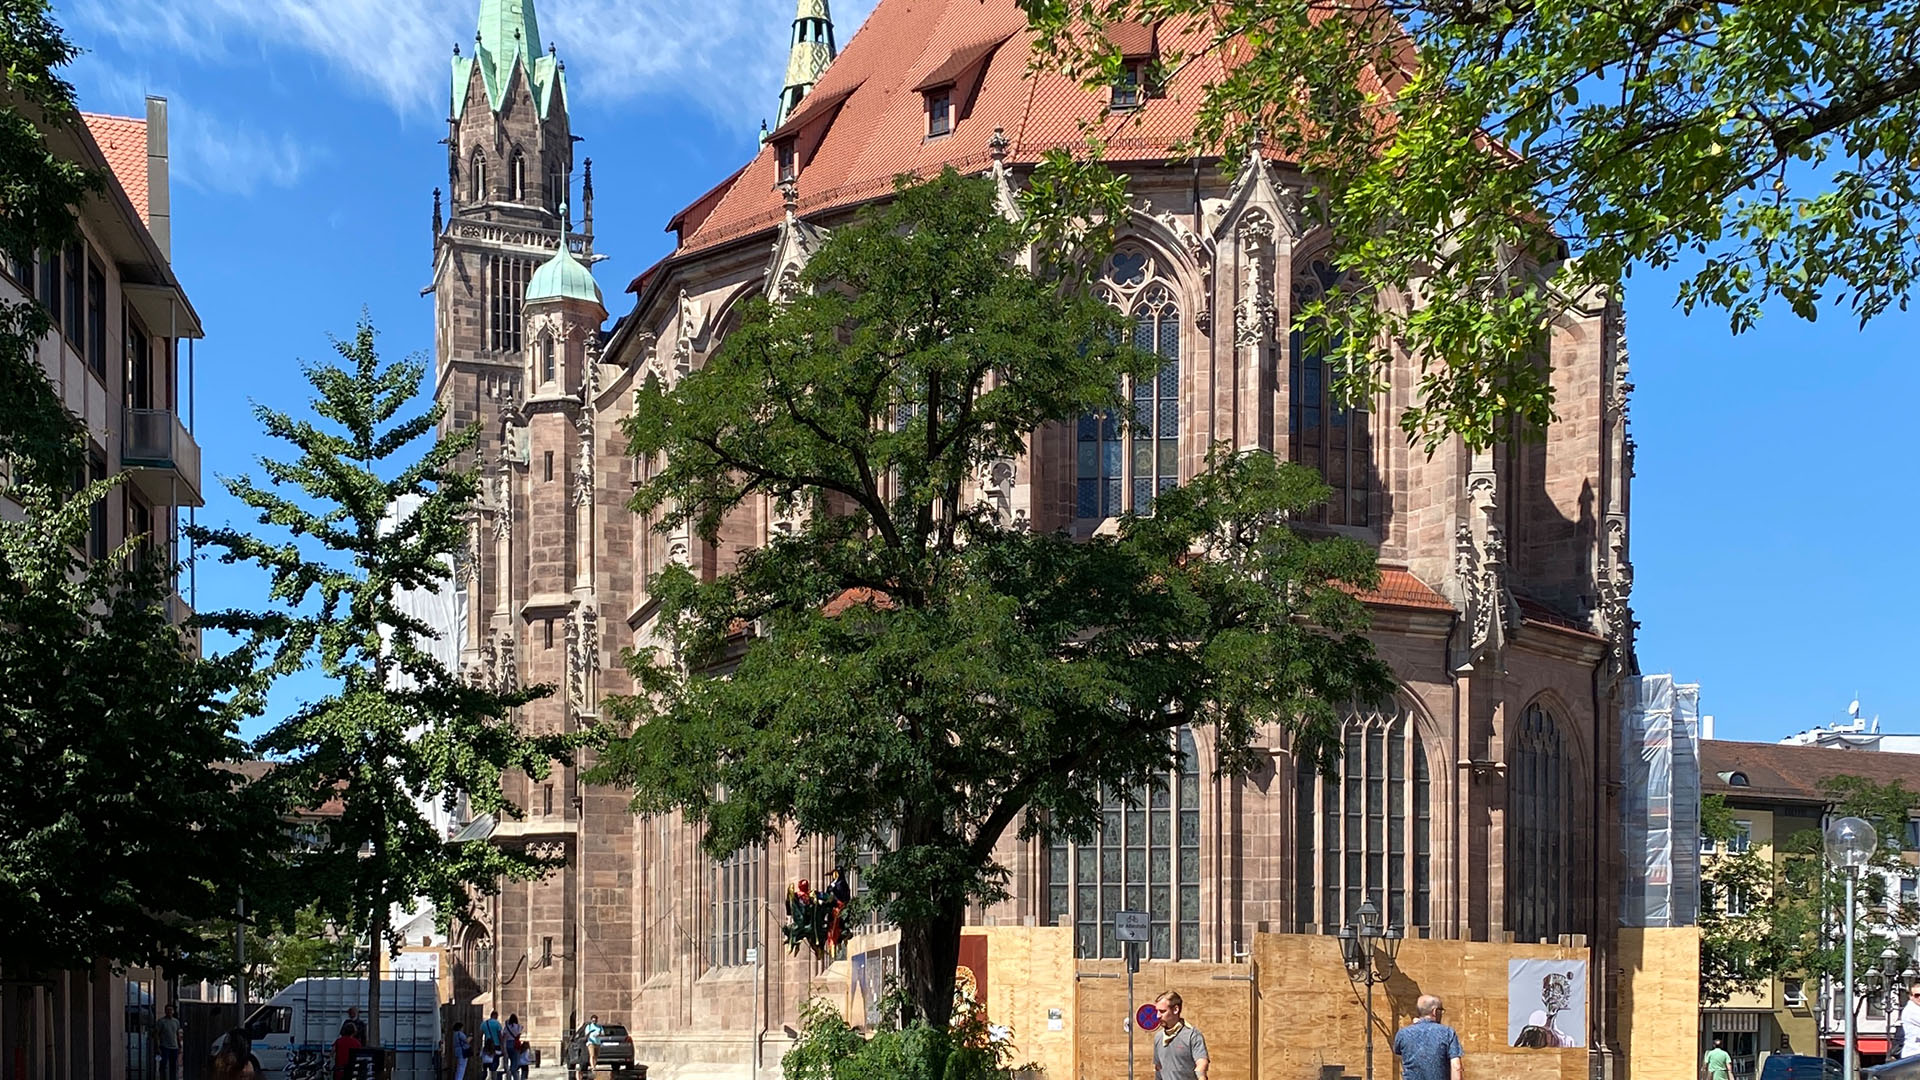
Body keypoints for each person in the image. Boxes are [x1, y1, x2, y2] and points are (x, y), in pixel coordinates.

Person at [1392, 995, 1464, 1080]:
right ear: (1435, 1011)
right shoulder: (1448, 1033)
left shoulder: (1403, 1033)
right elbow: (1456, 1067)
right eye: (1441, 1010)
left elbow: (1397, 1050)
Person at [1151, 991, 1209, 1080]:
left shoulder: (1192, 1035)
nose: (1158, 1016)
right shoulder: (1158, 1037)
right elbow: (1158, 1068)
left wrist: (1201, 1076)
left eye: (1162, 1011)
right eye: (1157, 1011)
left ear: (1175, 1009)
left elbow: (1202, 1064)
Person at [154, 1003, 183, 1080]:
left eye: (171, 1010)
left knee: (173, 1066)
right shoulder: (161, 1021)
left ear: (173, 1011)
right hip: (164, 1047)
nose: (169, 1011)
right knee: (163, 1065)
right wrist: (158, 1047)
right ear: (165, 1011)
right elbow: (156, 1035)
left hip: (174, 1047)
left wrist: (180, 1046)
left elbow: (177, 1034)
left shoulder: (176, 1022)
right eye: (168, 1010)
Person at [482, 1011, 505, 1080]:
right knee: (495, 1062)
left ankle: (486, 1074)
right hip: (496, 1045)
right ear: (495, 1016)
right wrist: (502, 1046)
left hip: (487, 1045)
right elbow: (500, 1035)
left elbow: (480, 1034)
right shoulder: (497, 1024)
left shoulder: (484, 1024)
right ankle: (493, 1076)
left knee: (487, 1061)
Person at [1903, 985, 1920, 1059]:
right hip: (1914, 1054)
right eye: (1917, 995)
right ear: (1911, 996)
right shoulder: (1912, 1010)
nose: (1919, 997)